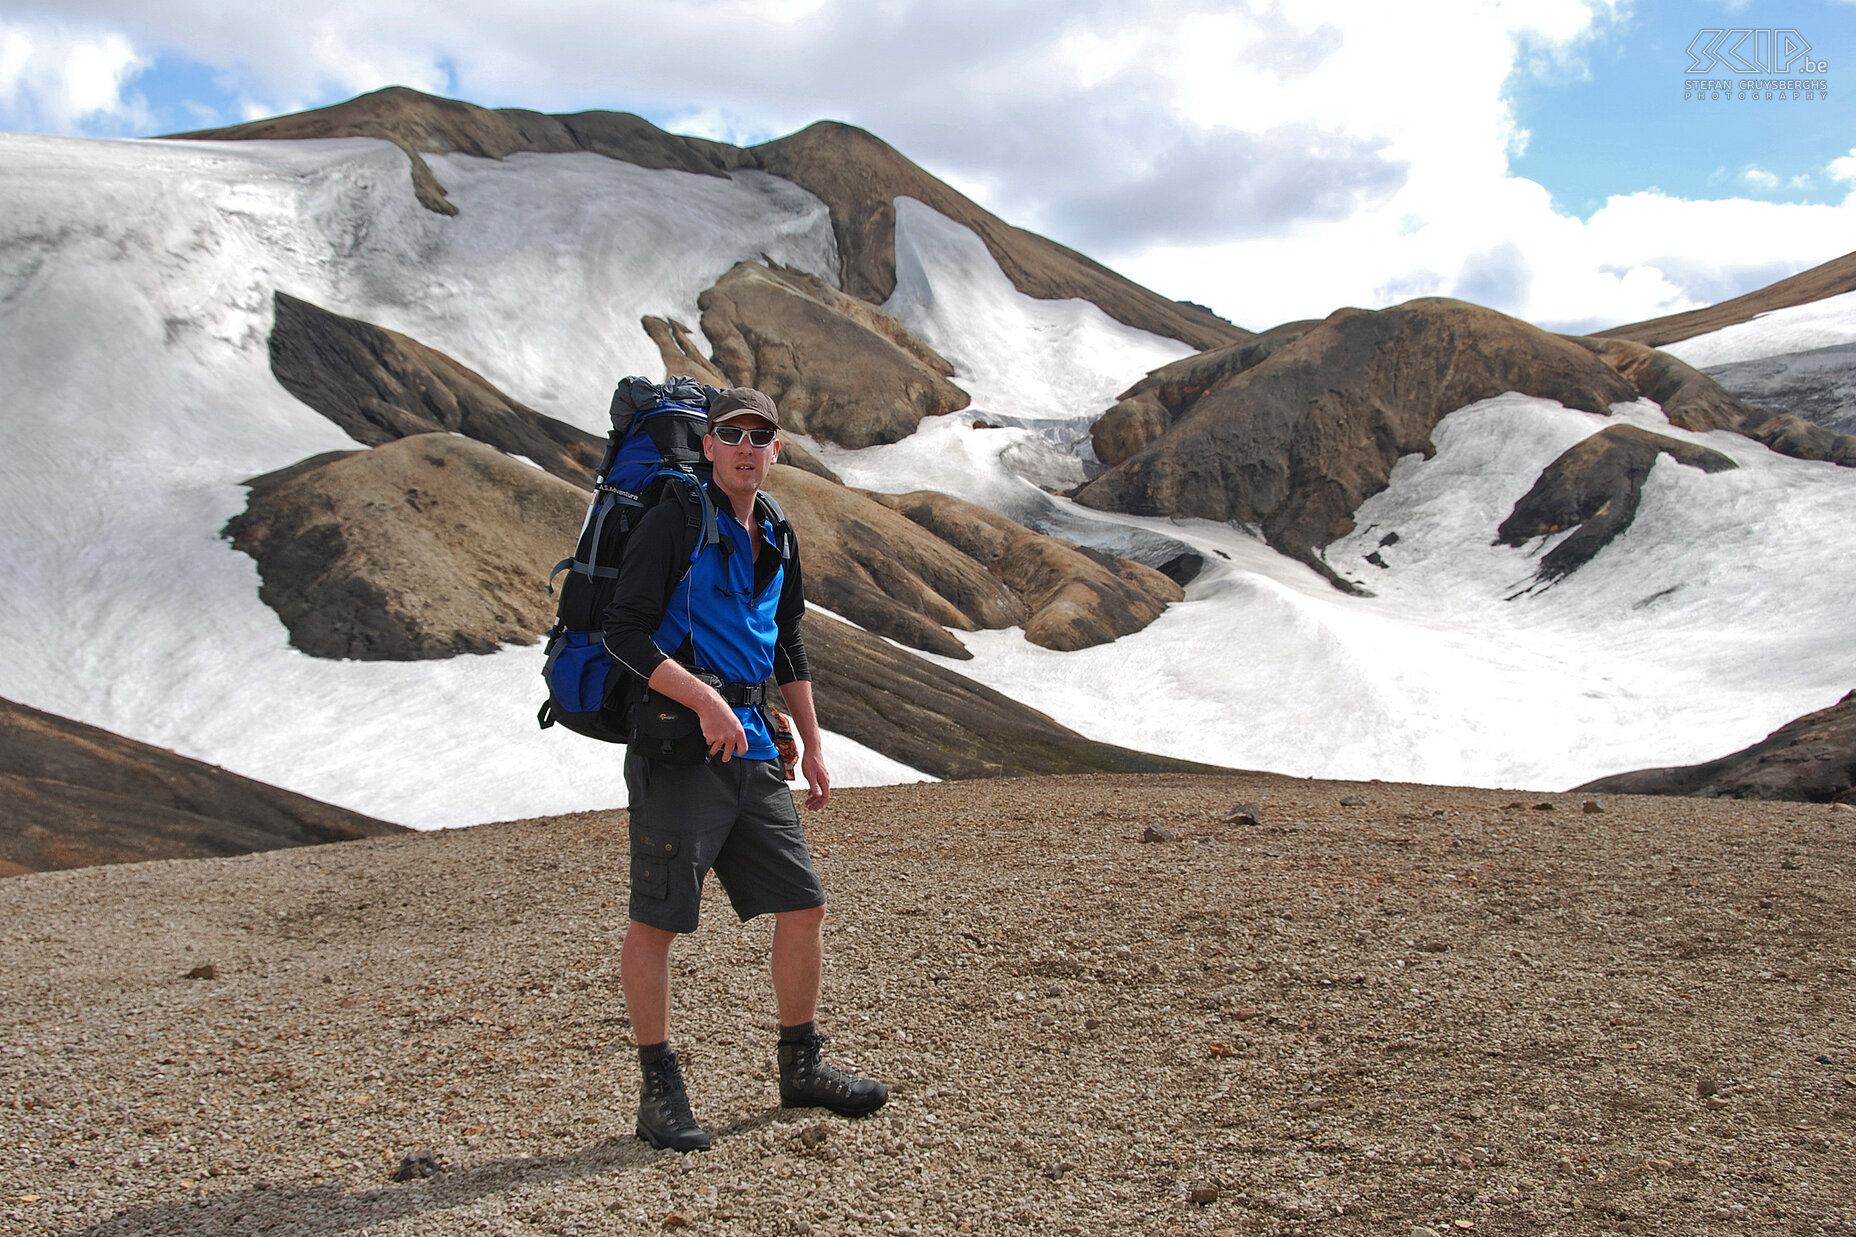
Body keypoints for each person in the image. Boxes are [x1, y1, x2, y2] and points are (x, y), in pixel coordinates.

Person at [602, 386, 887, 1152]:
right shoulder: (675, 520)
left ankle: (801, 1064)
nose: (745, 447)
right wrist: (704, 701)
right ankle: (658, 1090)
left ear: (776, 450)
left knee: (804, 905)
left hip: (754, 746)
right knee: (657, 922)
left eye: (760, 436)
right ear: (707, 445)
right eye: (731, 434)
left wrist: (817, 742)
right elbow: (622, 633)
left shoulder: (778, 530)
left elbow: (786, 638)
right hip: (676, 748)